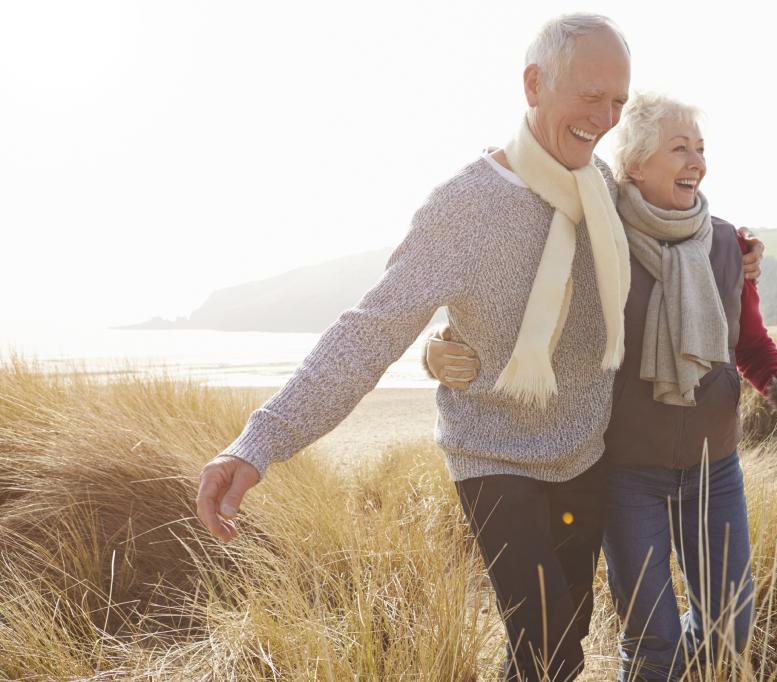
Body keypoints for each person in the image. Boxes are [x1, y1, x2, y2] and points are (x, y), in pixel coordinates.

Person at [198, 14, 638, 681]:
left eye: (618, 102)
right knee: (549, 645)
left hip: (585, 451)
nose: (604, 116)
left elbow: (667, 244)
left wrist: (736, 257)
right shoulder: (463, 207)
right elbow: (369, 330)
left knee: (554, 647)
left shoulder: (600, 186)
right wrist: (260, 440)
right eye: (589, 94)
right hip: (493, 452)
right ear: (533, 84)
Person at [424, 91, 777, 680]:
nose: (696, 160)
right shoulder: (595, 240)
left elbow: (748, 345)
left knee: (728, 629)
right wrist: (440, 347)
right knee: (652, 641)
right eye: (678, 148)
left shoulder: (725, 245)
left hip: (715, 469)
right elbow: (519, 308)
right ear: (634, 164)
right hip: (625, 475)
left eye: (700, 149)